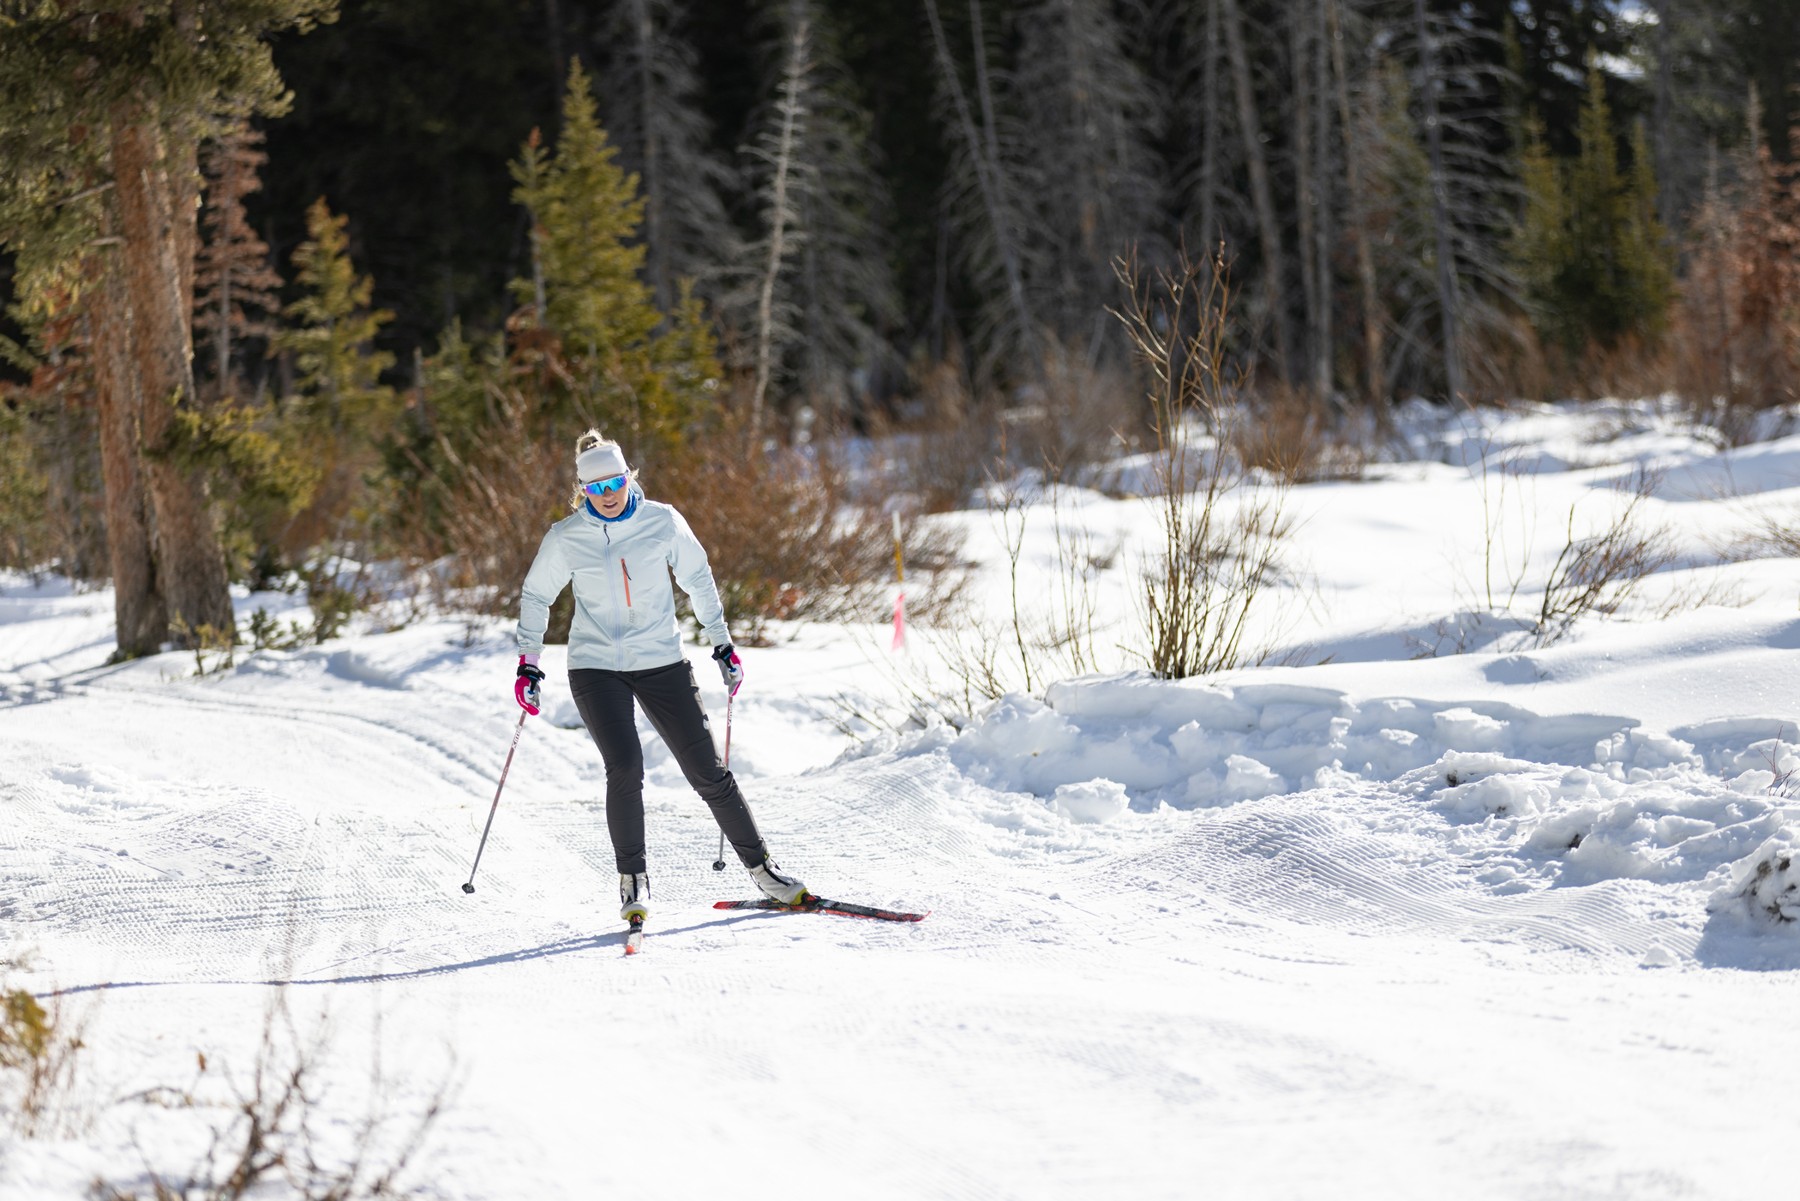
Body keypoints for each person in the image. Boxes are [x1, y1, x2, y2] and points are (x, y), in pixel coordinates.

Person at [512, 430, 808, 924]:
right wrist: (529, 662)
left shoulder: (662, 522)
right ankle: (633, 880)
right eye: (595, 489)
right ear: (582, 492)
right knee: (625, 767)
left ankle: (764, 870)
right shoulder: (567, 536)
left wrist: (722, 642)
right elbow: (536, 595)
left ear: (629, 478)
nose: (607, 496)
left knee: (708, 772)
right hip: (595, 665)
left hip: (660, 660)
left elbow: (699, 578)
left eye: (615, 483)